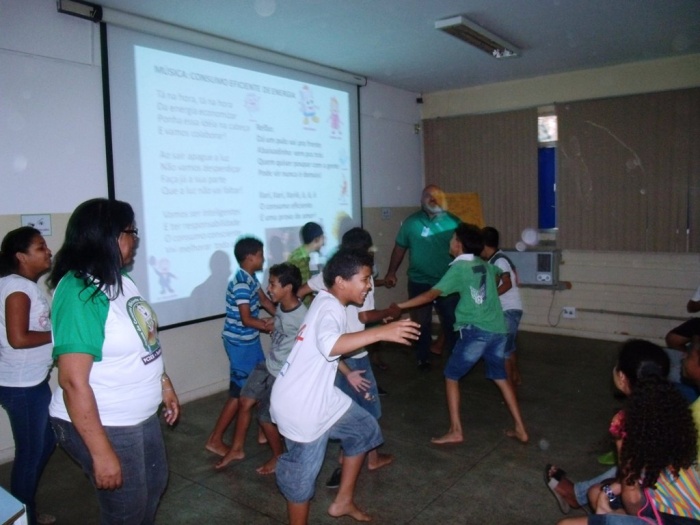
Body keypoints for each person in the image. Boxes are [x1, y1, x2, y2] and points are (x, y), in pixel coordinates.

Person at [47, 198, 180, 524]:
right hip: (107, 421)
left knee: (154, 486)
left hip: (138, 415)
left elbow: (145, 340)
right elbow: (72, 381)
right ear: (109, 236)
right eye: (131, 232)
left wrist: (164, 383)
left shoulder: (120, 280)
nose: (136, 240)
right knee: (126, 510)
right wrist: (101, 452)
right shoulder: (80, 292)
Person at [270, 249, 420, 525]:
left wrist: (347, 372)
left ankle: (343, 502)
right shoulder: (330, 309)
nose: (369, 286)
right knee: (300, 483)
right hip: (301, 406)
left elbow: (321, 347)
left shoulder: (326, 300)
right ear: (340, 281)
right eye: (364, 279)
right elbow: (330, 344)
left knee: (364, 429)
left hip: (319, 395)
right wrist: (382, 332)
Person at [398, 223, 529, 444]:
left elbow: (430, 295)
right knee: (500, 377)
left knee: (451, 376)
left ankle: (456, 430)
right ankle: (521, 428)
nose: (450, 242)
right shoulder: (484, 264)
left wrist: (399, 306)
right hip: (498, 330)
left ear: (459, 244)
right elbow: (501, 277)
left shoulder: (459, 268)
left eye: (452, 239)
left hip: (476, 331)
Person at [298, 228, 400, 488]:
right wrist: (386, 318)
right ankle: (346, 462)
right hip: (353, 355)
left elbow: (300, 291)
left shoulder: (329, 275)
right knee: (367, 408)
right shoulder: (355, 283)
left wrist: (297, 319)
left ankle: (370, 457)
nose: (367, 285)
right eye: (365, 280)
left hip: (336, 362)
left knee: (348, 405)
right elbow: (364, 317)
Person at [545, 339, 671, 514]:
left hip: (653, 506)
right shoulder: (674, 410)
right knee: (599, 490)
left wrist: (631, 516)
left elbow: (633, 495)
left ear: (622, 377)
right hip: (677, 495)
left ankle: (587, 500)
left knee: (598, 494)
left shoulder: (625, 422)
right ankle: (582, 495)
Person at [556, 376, 698, 525]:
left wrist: (622, 450)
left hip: (664, 518)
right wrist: (606, 493)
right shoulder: (671, 451)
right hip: (655, 510)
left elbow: (634, 503)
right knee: (596, 492)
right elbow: (640, 486)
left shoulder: (653, 458)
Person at [215, 263, 306, 473]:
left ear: (288, 288)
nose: (268, 288)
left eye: (273, 284)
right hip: (269, 364)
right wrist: (274, 322)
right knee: (245, 400)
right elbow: (283, 323)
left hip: (282, 372)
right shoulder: (282, 306)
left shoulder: (303, 317)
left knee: (265, 417)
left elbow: (309, 345)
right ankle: (237, 449)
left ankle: (279, 456)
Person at [0, 227, 55, 525]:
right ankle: (24, 518)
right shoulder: (18, 288)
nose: (48, 251)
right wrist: (59, 334)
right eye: (40, 247)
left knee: (44, 444)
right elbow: (18, 338)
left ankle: (25, 508)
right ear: (21, 256)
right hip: (22, 386)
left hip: (30, 381)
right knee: (30, 454)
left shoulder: (17, 285)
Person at [206, 236, 275, 458]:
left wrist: (285, 317)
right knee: (240, 394)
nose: (263, 259)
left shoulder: (250, 278)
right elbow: (246, 319)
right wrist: (269, 326)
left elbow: (264, 301)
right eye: (260, 255)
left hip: (250, 341)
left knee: (260, 383)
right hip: (239, 344)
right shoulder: (241, 284)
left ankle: (263, 431)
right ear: (250, 257)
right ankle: (215, 440)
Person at [383, 184, 460, 369]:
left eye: (436, 196)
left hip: (447, 283)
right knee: (420, 323)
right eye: (428, 196)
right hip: (419, 282)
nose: (432, 199)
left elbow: (465, 251)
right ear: (421, 199)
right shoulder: (411, 223)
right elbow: (400, 248)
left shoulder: (455, 223)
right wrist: (391, 272)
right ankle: (422, 358)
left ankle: (456, 360)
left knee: (451, 321)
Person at [481, 226, 523, 389]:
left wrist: (489, 297)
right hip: (510, 310)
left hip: (508, 311)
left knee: (502, 354)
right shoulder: (495, 259)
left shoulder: (499, 261)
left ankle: (510, 391)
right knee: (509, 349)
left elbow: (507, 283)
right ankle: (515, 377)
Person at [287, 222, 325, 306]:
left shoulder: (300, 255)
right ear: (316, 239)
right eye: (322, 237)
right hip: (301, 306)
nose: (323, 242)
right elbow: (301, 288)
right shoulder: (300, 259)